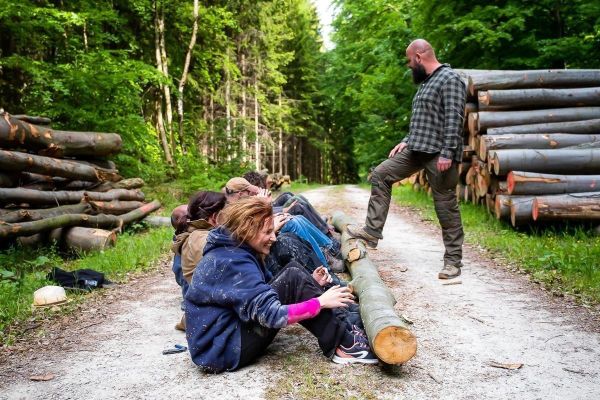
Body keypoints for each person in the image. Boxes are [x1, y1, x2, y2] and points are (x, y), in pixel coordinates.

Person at [184, 197, 378, 373]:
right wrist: (319, 302)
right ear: (246, 229)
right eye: (267, 232)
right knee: (293, 278)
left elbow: (266, 288)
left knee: (293, 273)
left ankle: (347, 326)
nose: (274, 237)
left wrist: (310, 282)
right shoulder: (233, 262)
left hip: (226, 334)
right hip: (223, 349)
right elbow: (272, 315)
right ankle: (345, 345)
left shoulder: (237, 247)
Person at [346, 39, 466, 280]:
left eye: (410, 60)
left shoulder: (450, 79)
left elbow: (455, 119)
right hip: (417, 148)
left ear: (419, 57)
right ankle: (371, 232)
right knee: (381, 174)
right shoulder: (426, 83)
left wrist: (448, 153)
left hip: (438, 153)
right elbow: (425, 119)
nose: (409, 65)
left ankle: (453, 262)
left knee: (446, 206)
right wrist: (407, 139)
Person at [171, 191, 227, 331]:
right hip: (218, 321)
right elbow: (228, 278)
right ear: (214, 217)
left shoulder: (201, 235)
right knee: (291, 274)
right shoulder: (204, 240)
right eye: (226, 213)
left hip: (213, 315)